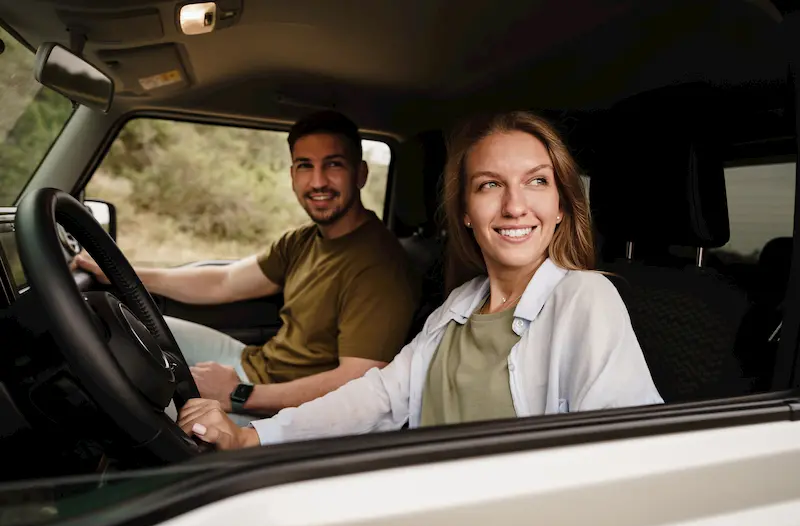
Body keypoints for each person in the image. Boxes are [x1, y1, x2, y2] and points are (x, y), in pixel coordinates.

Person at [175, 110, 664, 448]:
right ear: (467, 213)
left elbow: (625, 454)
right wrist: (251, 437)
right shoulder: (458, 307)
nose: (515, 205)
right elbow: (378, 398)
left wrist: (240, 400)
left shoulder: (586, 297)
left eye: (537, 181)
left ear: (560, 207)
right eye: (490, 184)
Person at [74, 111, 421, 422]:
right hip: (255, 364)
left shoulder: (379, 267)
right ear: (292, 174)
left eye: (333, 165)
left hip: (285, 407)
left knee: (131, 406)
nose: (317, 182)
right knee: (118, 326)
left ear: (360, 174)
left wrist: (239, 394)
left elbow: (359, 380)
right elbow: (224, 281)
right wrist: (120, 272)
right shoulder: (302, 240)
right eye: (305, 165)